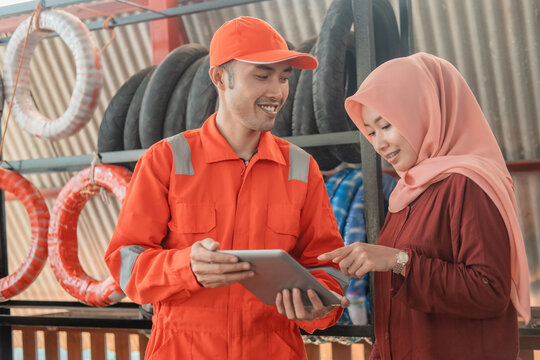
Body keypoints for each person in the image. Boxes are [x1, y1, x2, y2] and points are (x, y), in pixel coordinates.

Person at [105, 16, 349, 360]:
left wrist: (319, 307)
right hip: (184, 351)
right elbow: (126, 268)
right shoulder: (166, 160)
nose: (277, 92)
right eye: (262, 76)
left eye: (283, 77)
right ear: (219, 77)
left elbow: (328, 267)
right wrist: (185, 266)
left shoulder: (301, 168)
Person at [319, 52, 530, 359]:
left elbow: (490, 291)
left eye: (387, 125)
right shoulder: (408, 190)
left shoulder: (467, 183)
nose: (379, 144)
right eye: (372, 132)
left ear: (424, 111)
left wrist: (399, 261)